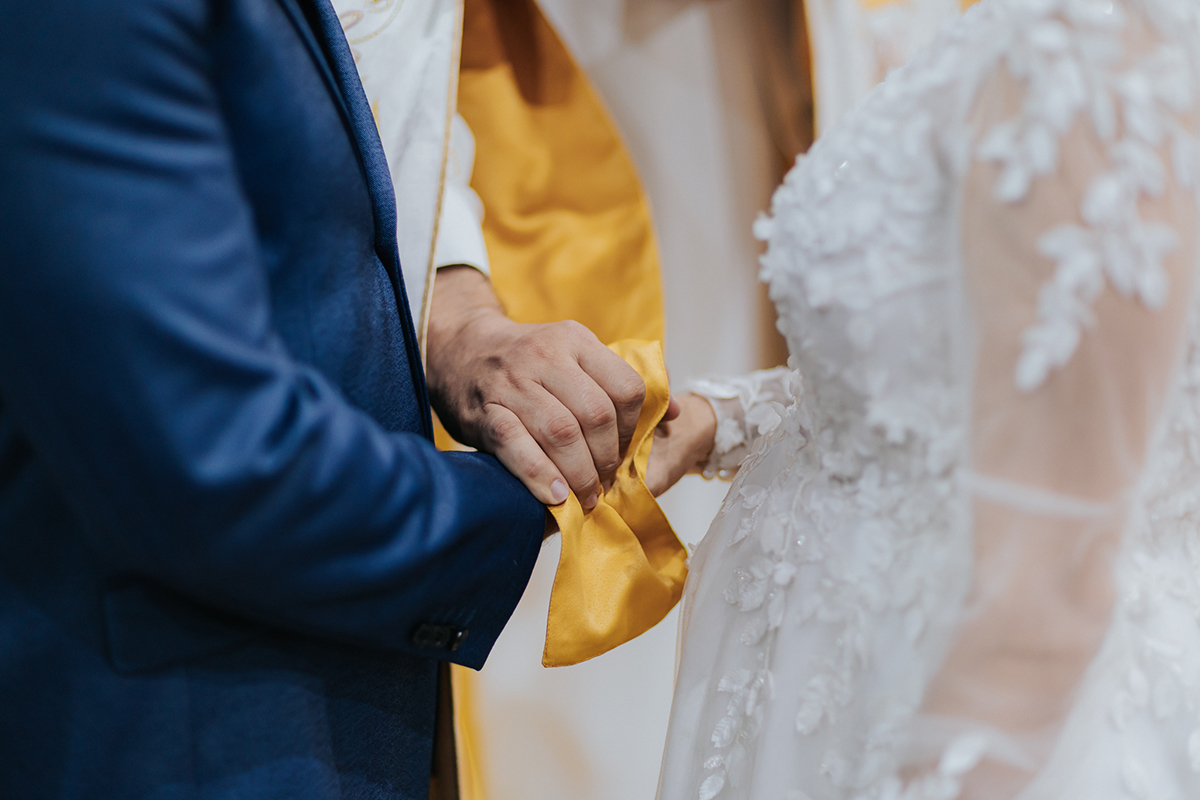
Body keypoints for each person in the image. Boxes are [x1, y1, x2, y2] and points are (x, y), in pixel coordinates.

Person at [0, 0, 664, 798]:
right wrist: (541, 493)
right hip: (184, 727)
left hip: (332, 695)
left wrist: (458, 318)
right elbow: (204, 455)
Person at [647, 0, 1200, 793]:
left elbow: (1050, 583)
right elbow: (985, 373)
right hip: (837, 672)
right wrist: (728, 418)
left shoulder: (1096, 42)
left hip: (950, 686)